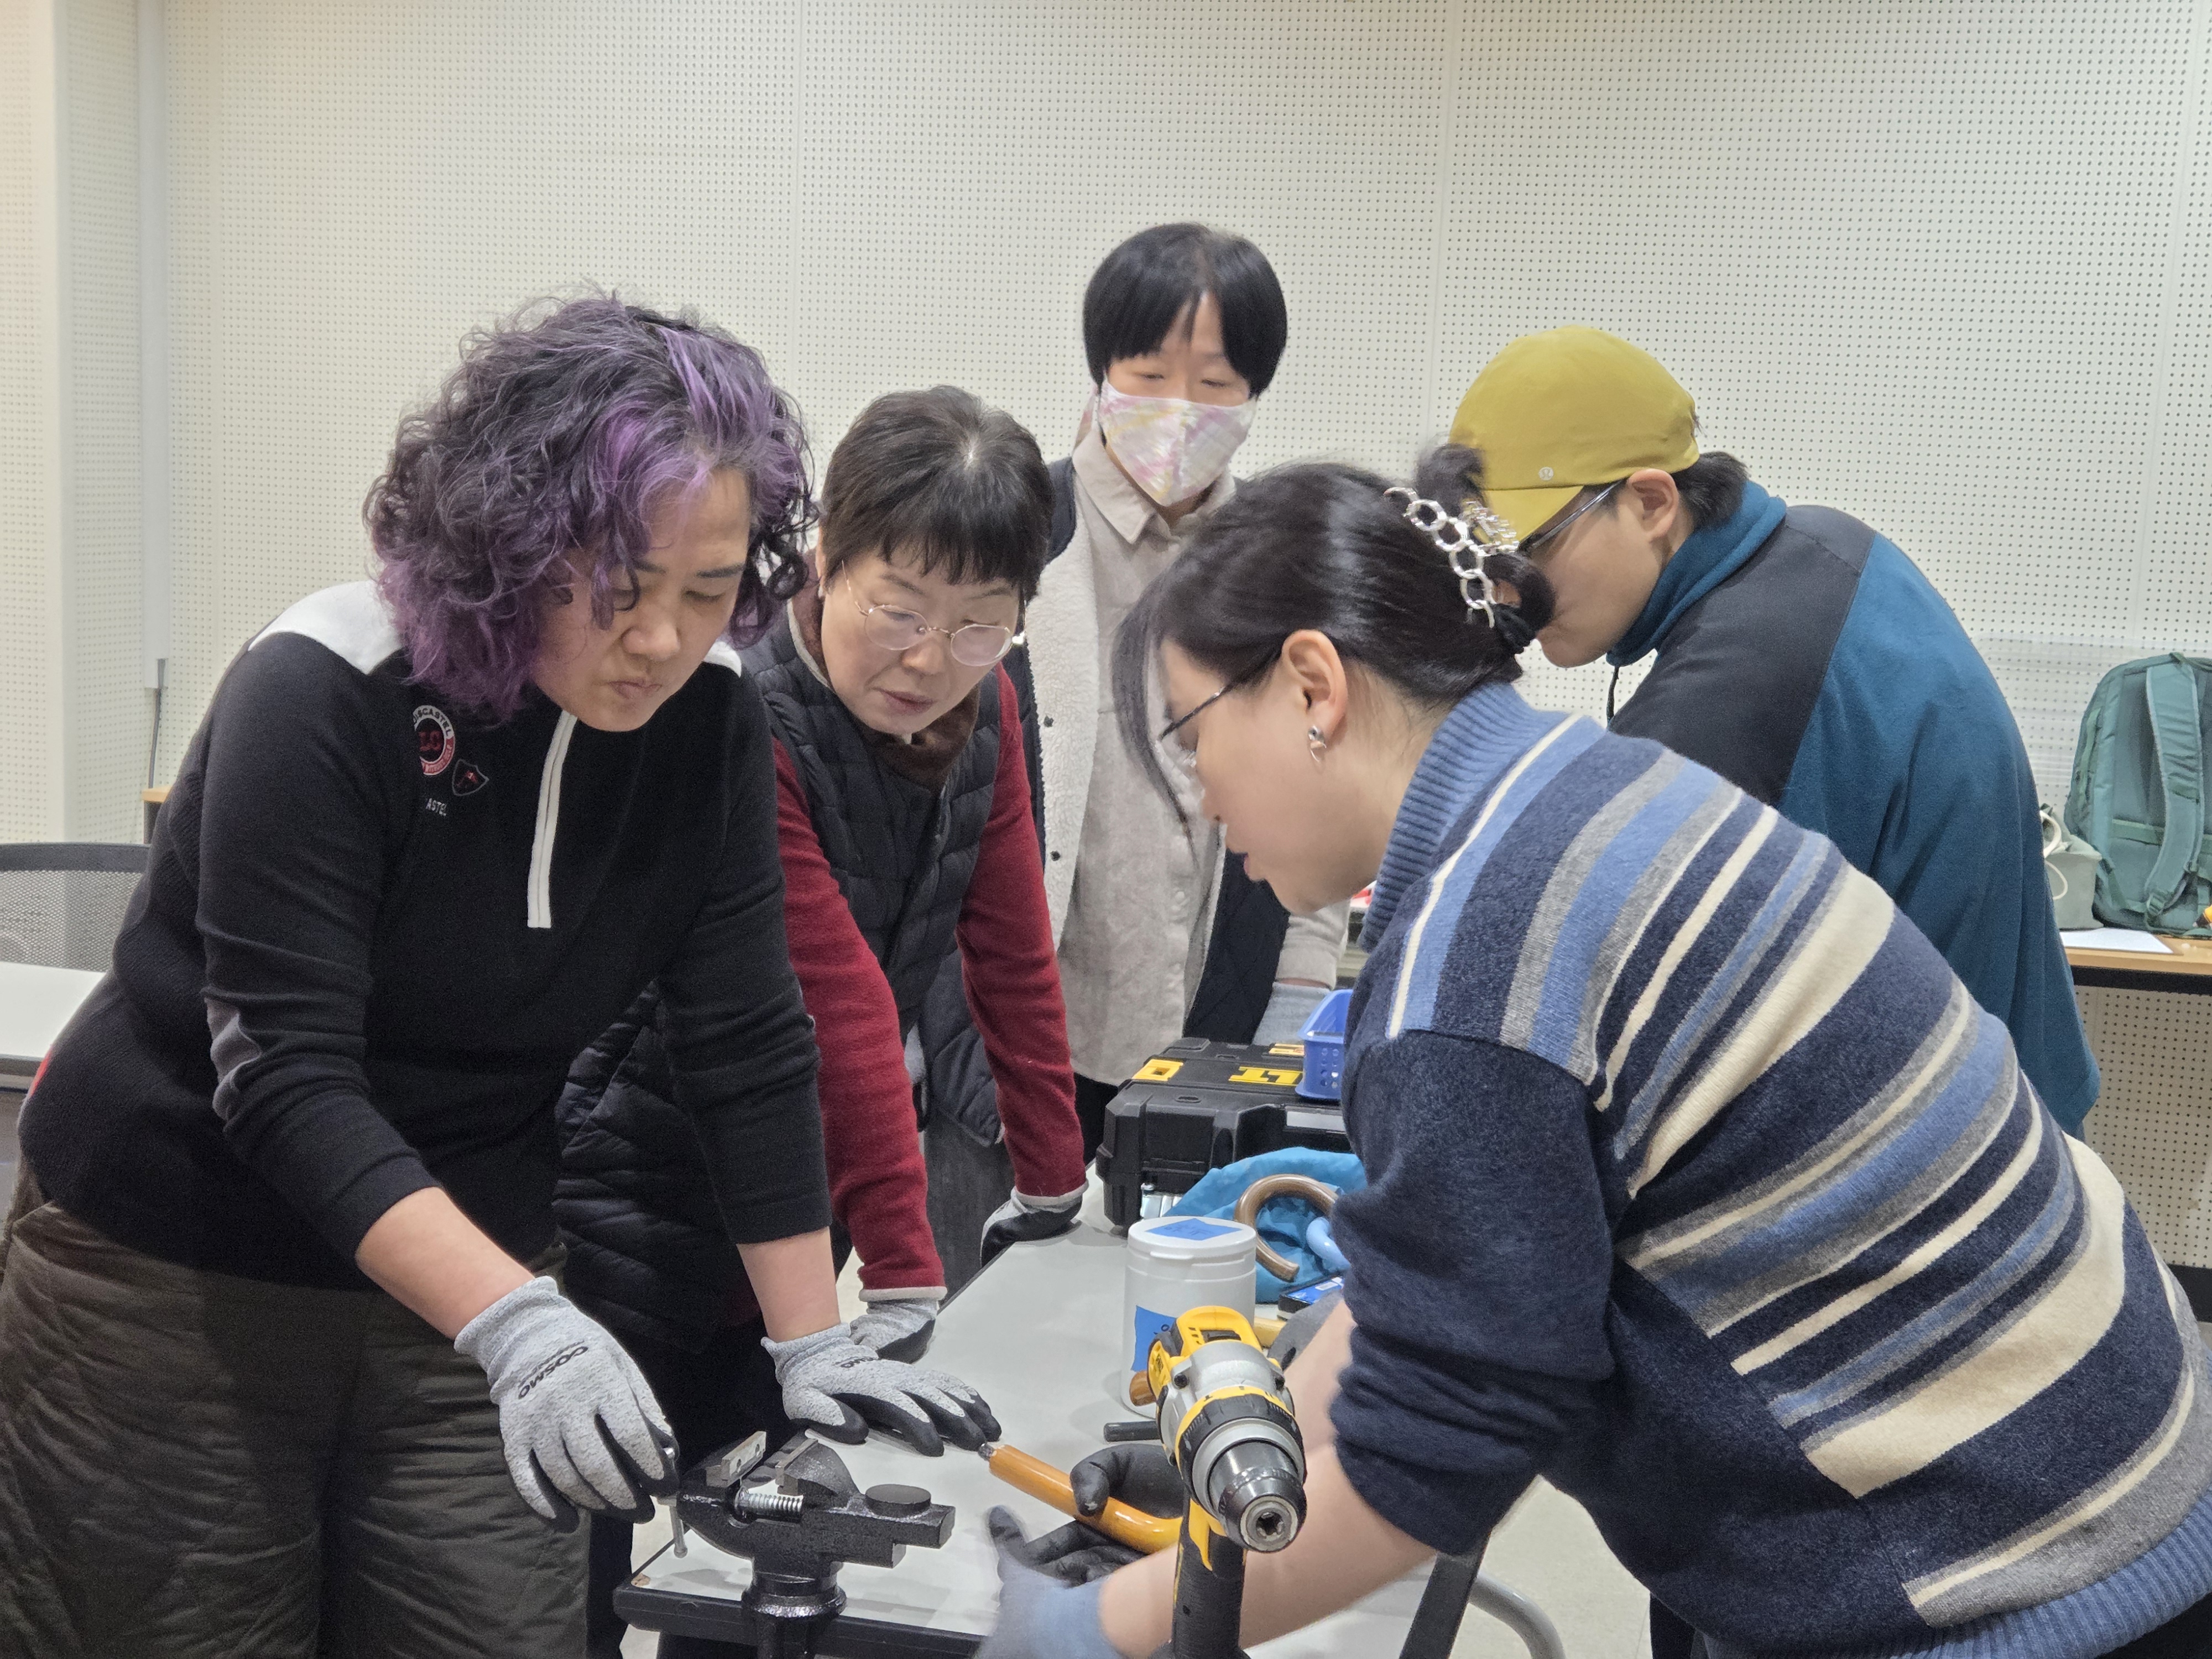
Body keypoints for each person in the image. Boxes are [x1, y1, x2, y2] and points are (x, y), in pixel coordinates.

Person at [979, 448, 2212, 1659]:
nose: (1198, 794)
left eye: (1191, 733)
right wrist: (1261, 1455)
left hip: (2018, 1577)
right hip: (2116, 1462)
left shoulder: (1478, 951)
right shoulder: (1575, 790)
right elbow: (1442, 1287)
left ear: (1313, 687)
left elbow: (1437, 1445)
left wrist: (1094, 1631)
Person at [0, 296, 984, 1658]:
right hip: (175, 1276)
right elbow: (284, 1076)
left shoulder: (708, 726)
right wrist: (520, 1322)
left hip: (475, 1269)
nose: (660, 638)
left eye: (708, 590)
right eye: (616, 586)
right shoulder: (327, 685)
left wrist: (807, 1343)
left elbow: (748, 1045)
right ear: (507, 545)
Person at [557, 385, 1086, 1657]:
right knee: (580, 1560)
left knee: (748, 1557)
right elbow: (836, 1006)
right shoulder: (741, 710)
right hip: (632, 1186)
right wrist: (903, 1277)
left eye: (979, 623)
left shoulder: (985, 708)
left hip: (793, 1210)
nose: (928, 658)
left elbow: (1010, 946)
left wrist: (1055, 1188)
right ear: (825, 562)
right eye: (898, 609)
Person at [1444, 325, 2098, 1136]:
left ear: (1651, 503)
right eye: (1491, 562)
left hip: (1941, 1159)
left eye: (1532, 550)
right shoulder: (1825, 548)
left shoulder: (1736, 692)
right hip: (1999, 1113)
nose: (1510, 595)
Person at [1009, 222, 1349, 1168]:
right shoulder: (1020, 528)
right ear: (1103, 371)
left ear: (1254, 391)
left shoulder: (1283, 561)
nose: (1178, 410)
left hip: (1218, 1031)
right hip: (1022, 1038)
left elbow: (1326, 781)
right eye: (1151, 375)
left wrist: (1296, 1003)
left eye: (1215, 383)